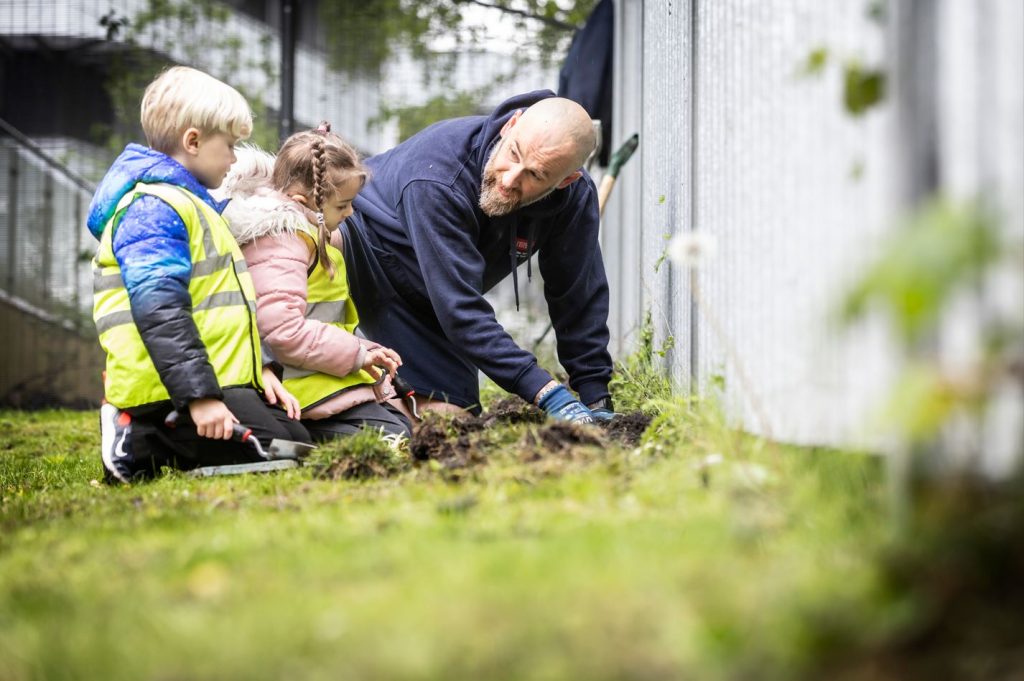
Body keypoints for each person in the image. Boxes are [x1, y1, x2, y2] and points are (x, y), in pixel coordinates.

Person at [88, 66, 310, 484]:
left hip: (211, 381)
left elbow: (221, 311)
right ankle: (134, 433)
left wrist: (259, 369)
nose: (233, 158)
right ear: (193, 141)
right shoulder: (152, 208)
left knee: (295, 444)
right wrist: (201, 398)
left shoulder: (195, 205)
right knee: (273, 455)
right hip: (163, 392)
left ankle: (168, 431)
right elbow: (161, 312)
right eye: (228, 145)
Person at [342, 90, 616, 423]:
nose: (510, 178)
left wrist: (595, 396)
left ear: (567, 180)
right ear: (510, 126)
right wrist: (547, 393)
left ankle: (384, 403)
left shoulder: (575, 196)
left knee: (455, 419)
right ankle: (339, 406)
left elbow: (578, 295)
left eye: (536, 175)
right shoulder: (438, 178)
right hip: (367, 252)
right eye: (513, 154)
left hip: (431, 294)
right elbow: (461, 311)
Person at [217, 125, 411, 442]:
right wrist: (358, 355)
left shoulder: (306, 234)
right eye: (341, 205)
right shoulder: (281, 241)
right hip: (300, 388)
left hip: (321, 375)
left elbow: (322, 318)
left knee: (403, 429)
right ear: (302, 200)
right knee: (394, 439)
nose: (351, 213)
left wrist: (366, 350)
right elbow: (282, 330)